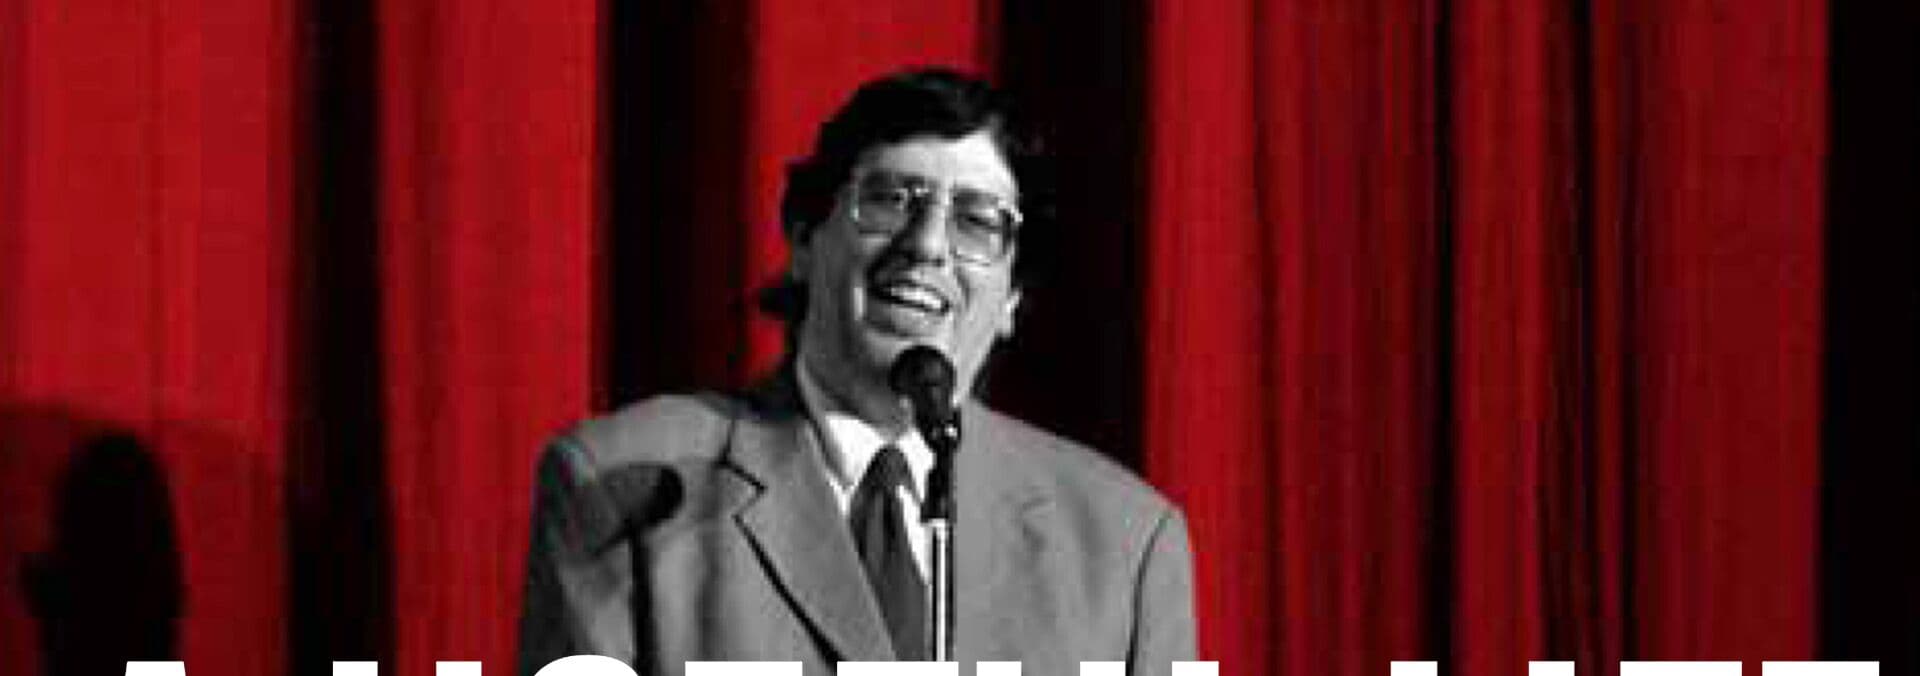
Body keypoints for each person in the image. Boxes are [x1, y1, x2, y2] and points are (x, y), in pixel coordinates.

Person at [518, 68, 1196, 676]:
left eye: (975, 223)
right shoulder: (619, 483)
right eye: (891, 200)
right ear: (804, 237)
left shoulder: (1125, 544)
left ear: (1013, 296)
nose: (927, 245)